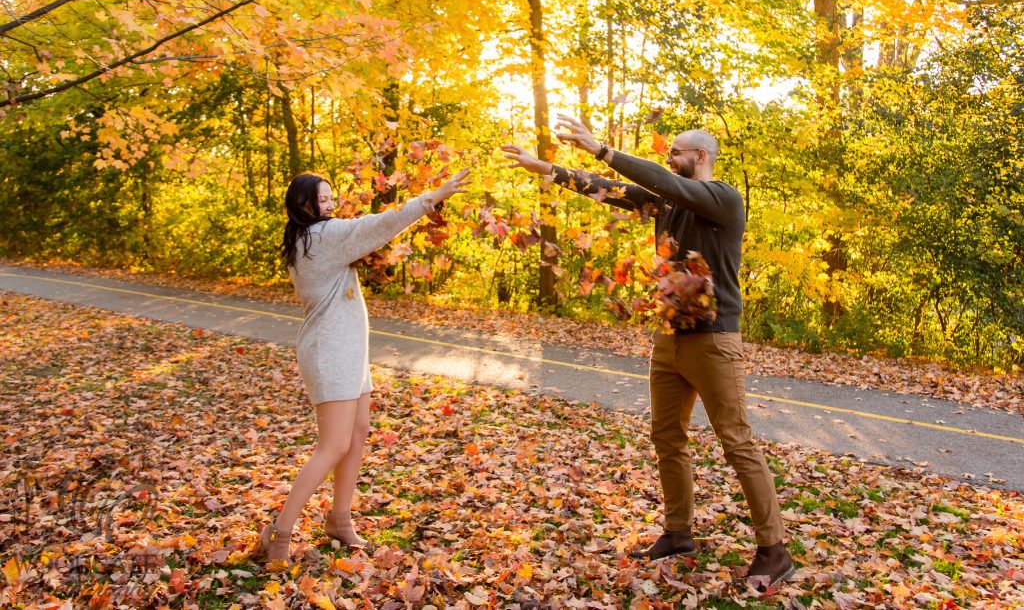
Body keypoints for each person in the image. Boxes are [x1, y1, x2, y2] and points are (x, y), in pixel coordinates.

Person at [502, 115, 794, 591]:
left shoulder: (722, 200)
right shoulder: (667, 202)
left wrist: (602, 148)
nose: (668, 157)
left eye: (677, 151)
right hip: (670, 336)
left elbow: (654, 179)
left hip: (716, 339)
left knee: (736, 442)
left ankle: (773, 549)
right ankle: (679, 533)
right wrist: (548, 170)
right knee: (667, 436)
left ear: (701, 157)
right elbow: (612, 190)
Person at [255, 168, 470, 565]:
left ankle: (339, 519)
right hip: (330, 351)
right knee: (334, 444)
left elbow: (368, 236)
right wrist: (431, 198)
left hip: (348, 349)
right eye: (322, 198)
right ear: (303, 205)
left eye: (331, 196)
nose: (331, 203)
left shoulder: (310, 236)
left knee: (357, 433)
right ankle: (279, 532)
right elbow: (379, 224)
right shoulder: (322, 236)